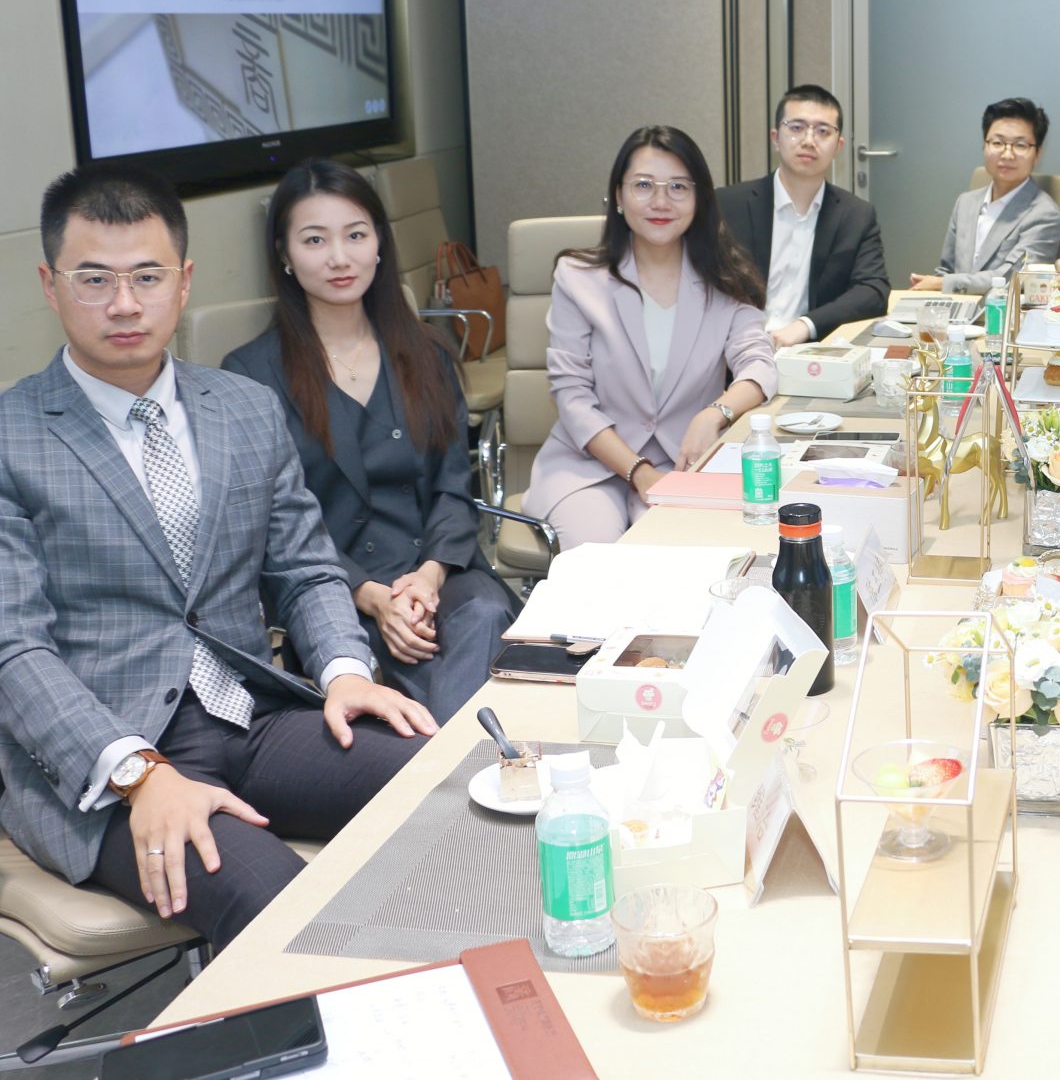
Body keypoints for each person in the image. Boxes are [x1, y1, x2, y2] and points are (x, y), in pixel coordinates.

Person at [0, 166, 435, 950]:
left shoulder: (243, 407)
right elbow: (13, 647)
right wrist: (139, 772)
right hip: (108, 757)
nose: (124, 303)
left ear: (185, 281)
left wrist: (346, 672)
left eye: (147, 276)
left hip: (250, 713)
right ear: (49, 285)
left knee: (447, 786)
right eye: (94, 279)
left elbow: (305, 567)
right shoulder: (12, 435)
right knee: (281, 906)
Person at [224, 160, 515, 724]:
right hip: (331, 594)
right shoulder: (251, 376)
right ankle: (460, 759)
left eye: (356, 235)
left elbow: (455, 490)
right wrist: (373, 596)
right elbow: (272, 527)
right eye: (315, 240)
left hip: (437, 576)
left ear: (379, 243)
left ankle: (444, 759)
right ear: (284, 254)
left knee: (482, 614)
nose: (340, 257)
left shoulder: (427, 352)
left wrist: (426, 578)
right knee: (436, 670)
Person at [525, 125, 777, 550]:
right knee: (597, 554)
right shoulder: (578, 278)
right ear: (618, 197)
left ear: (699, 199)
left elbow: (759, 364)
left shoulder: (726, 280)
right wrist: (639, 472)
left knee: (674, 556)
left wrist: (714, 414)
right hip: (588, 467)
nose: (661, 201)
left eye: (678, 187)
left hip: (684, 465)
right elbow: (571, 396)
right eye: (643, 185)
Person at [717, 84, 890, 348]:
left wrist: (806, 325)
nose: (809, 140)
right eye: (796, 127)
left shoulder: (856, 215)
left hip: (810, 353)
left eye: (823, 131)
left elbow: (873, 290)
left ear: (838, 146)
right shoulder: (728, 205)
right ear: (776, 138)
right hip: (735, 350)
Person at [909, 96, 1060, 295]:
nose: (1007, 154)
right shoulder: (965, 203)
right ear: (984, 146)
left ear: (1038, 154)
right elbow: (946, 270)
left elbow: (1015, 278)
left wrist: (943, 284)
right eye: (997, 142)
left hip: (1003, 311)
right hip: (956, 308)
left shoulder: (1044, 214)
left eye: (1020, 145)